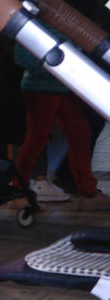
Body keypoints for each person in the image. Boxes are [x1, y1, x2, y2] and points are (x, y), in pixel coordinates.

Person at [12, 35, 110, 211]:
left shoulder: (61, 24)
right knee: (37, 139)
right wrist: (57, 68)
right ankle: (19, 191)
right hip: (42, 88)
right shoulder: (38, 25)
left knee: (79, 135)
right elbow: (22, 56)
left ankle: (88, 191)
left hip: (63, 86)